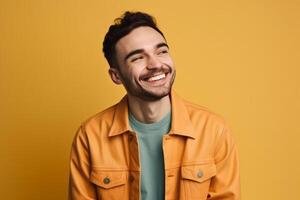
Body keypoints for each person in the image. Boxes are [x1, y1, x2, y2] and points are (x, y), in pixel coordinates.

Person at [68, 11, 240, 200]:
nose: (156, 64)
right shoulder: (90, 136)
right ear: (116, 76)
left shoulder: (214, 130)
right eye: (137, 58)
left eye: (161, 51)